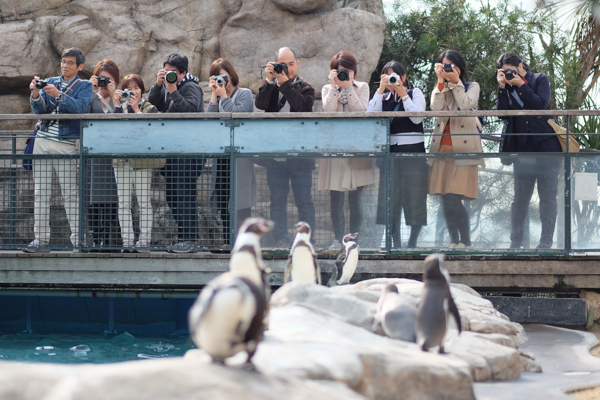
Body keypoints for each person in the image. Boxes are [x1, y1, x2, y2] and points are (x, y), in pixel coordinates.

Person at [24, 48, 93, 253]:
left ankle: (78, 240)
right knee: (40, 194)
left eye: (71, 63)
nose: (65, 65)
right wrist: (35, 94)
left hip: (65, 143)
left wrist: (60, 95)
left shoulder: (85, 85)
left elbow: (80, 108)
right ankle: (40, 239)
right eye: (64, 61)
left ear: (80, 66)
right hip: (42, 141)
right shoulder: (50, 81)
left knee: (70, 194)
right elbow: (40, 111)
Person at [497, 52, 562, 249]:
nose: (509, 73)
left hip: (547, 147)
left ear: (521, 66)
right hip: (523, 148)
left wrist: (521, 85)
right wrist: (502, 88)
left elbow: (541, 104)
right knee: (520, 198)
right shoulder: (506, 87)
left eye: (511, 70)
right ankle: (516, 242)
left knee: (548, 198)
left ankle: (545, 243)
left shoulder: (540, 79)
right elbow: (501, 114)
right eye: (504, 71)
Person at [255, 47, 316, 248]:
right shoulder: (272, 86)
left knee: (304, 202)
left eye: (291, 64)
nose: (287, 68)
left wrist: (286, 84)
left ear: (297, 64)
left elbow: (302, 108)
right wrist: (268, 81)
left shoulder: (306, 87)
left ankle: (307, 240)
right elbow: (261, 104)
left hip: (301, 156)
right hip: (277, 156)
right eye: (283, 64)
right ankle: (279, 239)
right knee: (277, 202)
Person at [367, 60, 428, 248]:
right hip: (390, 153)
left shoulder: (414, 93)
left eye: (396, 76)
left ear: (404, 77)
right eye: (387, 76)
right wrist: (380, 90)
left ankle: (412, 242)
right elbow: (369, 115)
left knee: (415, 196)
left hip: (413, 152)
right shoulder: (382, 98)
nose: (393, 80)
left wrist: (403, 95)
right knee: (390, 198)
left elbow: (417, 118)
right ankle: (395, 242)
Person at [148, 53, 204, 253]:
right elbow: (153, 102)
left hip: (188, 152)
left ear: (183, 72)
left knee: (184, 196)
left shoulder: (191, 87)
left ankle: (189, 240)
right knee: (173, 196)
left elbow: (189, 109)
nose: (170, 75)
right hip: (173, 151)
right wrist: (158, 84)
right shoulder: (169, 88)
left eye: (173, 72)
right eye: (167, 71)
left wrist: (173, 90)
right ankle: (184, 239)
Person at [429, 50, 485, 249]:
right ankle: (454, 241)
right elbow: (435, 109)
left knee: (453, 196)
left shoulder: (472, 86)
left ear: (459, 67)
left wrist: (456, 82)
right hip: (441, 148)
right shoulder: (440, 87)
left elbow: (466, 104)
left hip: (464, 149)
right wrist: (441, 83)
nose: (446, 69)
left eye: (450, 65)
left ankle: (466, 241)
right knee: (446, 198)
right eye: (443, 65)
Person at [318, 51, 372, 250]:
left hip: (357, 149)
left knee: (356, 199)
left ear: (354, 71)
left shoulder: (363, 87)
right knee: (336, 199)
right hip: (334, 149)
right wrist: (334, 88)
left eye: (348, 71)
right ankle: (337, 239)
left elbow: (361, 112)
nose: (344, 74)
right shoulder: (326, 88)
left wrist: (349, 89)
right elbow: (329, 112)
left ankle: (354, 240)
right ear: (333, 72)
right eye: (340, 71)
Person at [206, 58, 256, 250]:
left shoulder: (244, 94)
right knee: (223, 197)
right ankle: (228, 241)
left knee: (241, 202)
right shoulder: (217, 97)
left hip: (240, 158)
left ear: (231, 74)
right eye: (216, 77)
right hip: (222, 157)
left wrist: (224, 97)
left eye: (223, 76)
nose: (221, 80)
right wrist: (214, 96)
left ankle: (243, 243)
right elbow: (210, 124)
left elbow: (238, 116)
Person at [112, 74, 160, 253]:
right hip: (121, 161)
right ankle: (127, 241)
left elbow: (152, 133)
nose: (133, 92)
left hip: (142, 161)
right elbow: (112, 131)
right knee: (123, 202)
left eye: (136, 88)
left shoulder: (150, 108)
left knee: (143, 202)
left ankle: (144, 241)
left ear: (142, 90)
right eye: (128, 89)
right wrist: (117, 106)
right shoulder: (120, 108)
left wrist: (137, 111)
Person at [85, 60, 120, 251]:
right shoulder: (92, 98)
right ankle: (95, 238)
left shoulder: (119, 97)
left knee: (111, 199)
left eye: (110, 78)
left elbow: (123, 119)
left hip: (113, 154)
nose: (105, 82)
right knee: (92, 199)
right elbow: (82, 115)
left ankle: (106, 239)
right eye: (102, 78)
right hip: (93, 155)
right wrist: (89, 91)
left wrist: (115, 95)